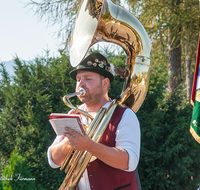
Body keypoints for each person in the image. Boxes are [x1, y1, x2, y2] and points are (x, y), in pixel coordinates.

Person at [47, 53, 141, 190]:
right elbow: (53, 161)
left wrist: (89, 145)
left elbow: (129, 161)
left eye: (88, 78)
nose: (81, 84)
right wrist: (69, 141)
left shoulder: (124, 115)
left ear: (105, 83)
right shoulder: (72, 114)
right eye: (78, 79)